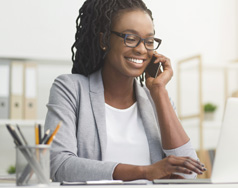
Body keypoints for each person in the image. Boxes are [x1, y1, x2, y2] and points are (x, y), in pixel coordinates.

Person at [44, 0, 206, 182]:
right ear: (104, 40)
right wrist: (145, 172)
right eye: (130, 38)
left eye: (149, 41)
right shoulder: (70, 89)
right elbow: (58, 164)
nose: (141, 49)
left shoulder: (156, 100)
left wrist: (159, 91)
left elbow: (189, 173)